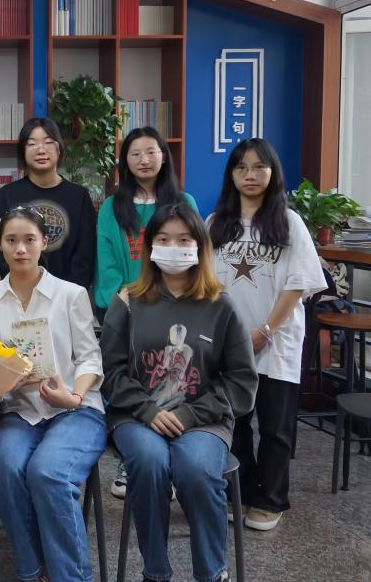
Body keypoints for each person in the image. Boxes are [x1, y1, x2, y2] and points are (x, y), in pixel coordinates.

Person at [101, 204, 258, 582]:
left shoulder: (221, 305)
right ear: (150, 246)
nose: (174, 247)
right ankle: (155, 572)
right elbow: (109, 372)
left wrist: (189, 415)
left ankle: (212, 573)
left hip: (203, 419)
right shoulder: (127, 302)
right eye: (164, 239)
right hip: (137, 416)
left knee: (196, 468)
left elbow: (241, 381)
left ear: (200, 246)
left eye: (184, 240)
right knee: (149, 463)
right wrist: (147, 410)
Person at [0, 207, 105, 582]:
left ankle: (70, 577)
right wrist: (3, 381)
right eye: (11, 240)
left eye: (29, 240)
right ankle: (32, 570)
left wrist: (73, 396)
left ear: (44, 242)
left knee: (47, 472)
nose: (21, 249)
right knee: (6, 467)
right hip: (19, 410)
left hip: (76, 410)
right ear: (0, 245)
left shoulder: (70, 294)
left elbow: (90, 358)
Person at [208, 138, 326, 531]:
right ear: (231, 175)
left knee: (275, 427)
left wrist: (265, 330)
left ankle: (272, 499)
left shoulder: (289, 222)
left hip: (276, 341)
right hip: (228, 343)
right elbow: (204, 283)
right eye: (241, 167)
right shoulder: (215, 223)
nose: (250, 175)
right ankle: (241, 493)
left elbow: (297, 284)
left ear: (272, 173)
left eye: (259, 167)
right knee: (235, 423)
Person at [94, 126, 198, 498]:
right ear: (125, 161)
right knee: (134, 384)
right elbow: (107, 263)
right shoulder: (112, 207)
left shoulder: (183, 200)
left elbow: (194, 253)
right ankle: (135, 460)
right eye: (135, 153)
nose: (144, 160)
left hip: (177, 309)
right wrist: (127, 303)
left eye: (151, 151)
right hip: (127, 311)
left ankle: (175, 463)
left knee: (174, 382)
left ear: (164, 156)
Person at [0, 117, 95, 289]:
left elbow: (85, 256)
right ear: (23, 151)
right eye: (32, 144)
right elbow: (1, 251)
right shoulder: (7, 195)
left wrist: (69, 294)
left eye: (48, 142)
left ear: (59, 148)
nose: (41, 150)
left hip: (67, 294)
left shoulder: (79, 196)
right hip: (19, 291)